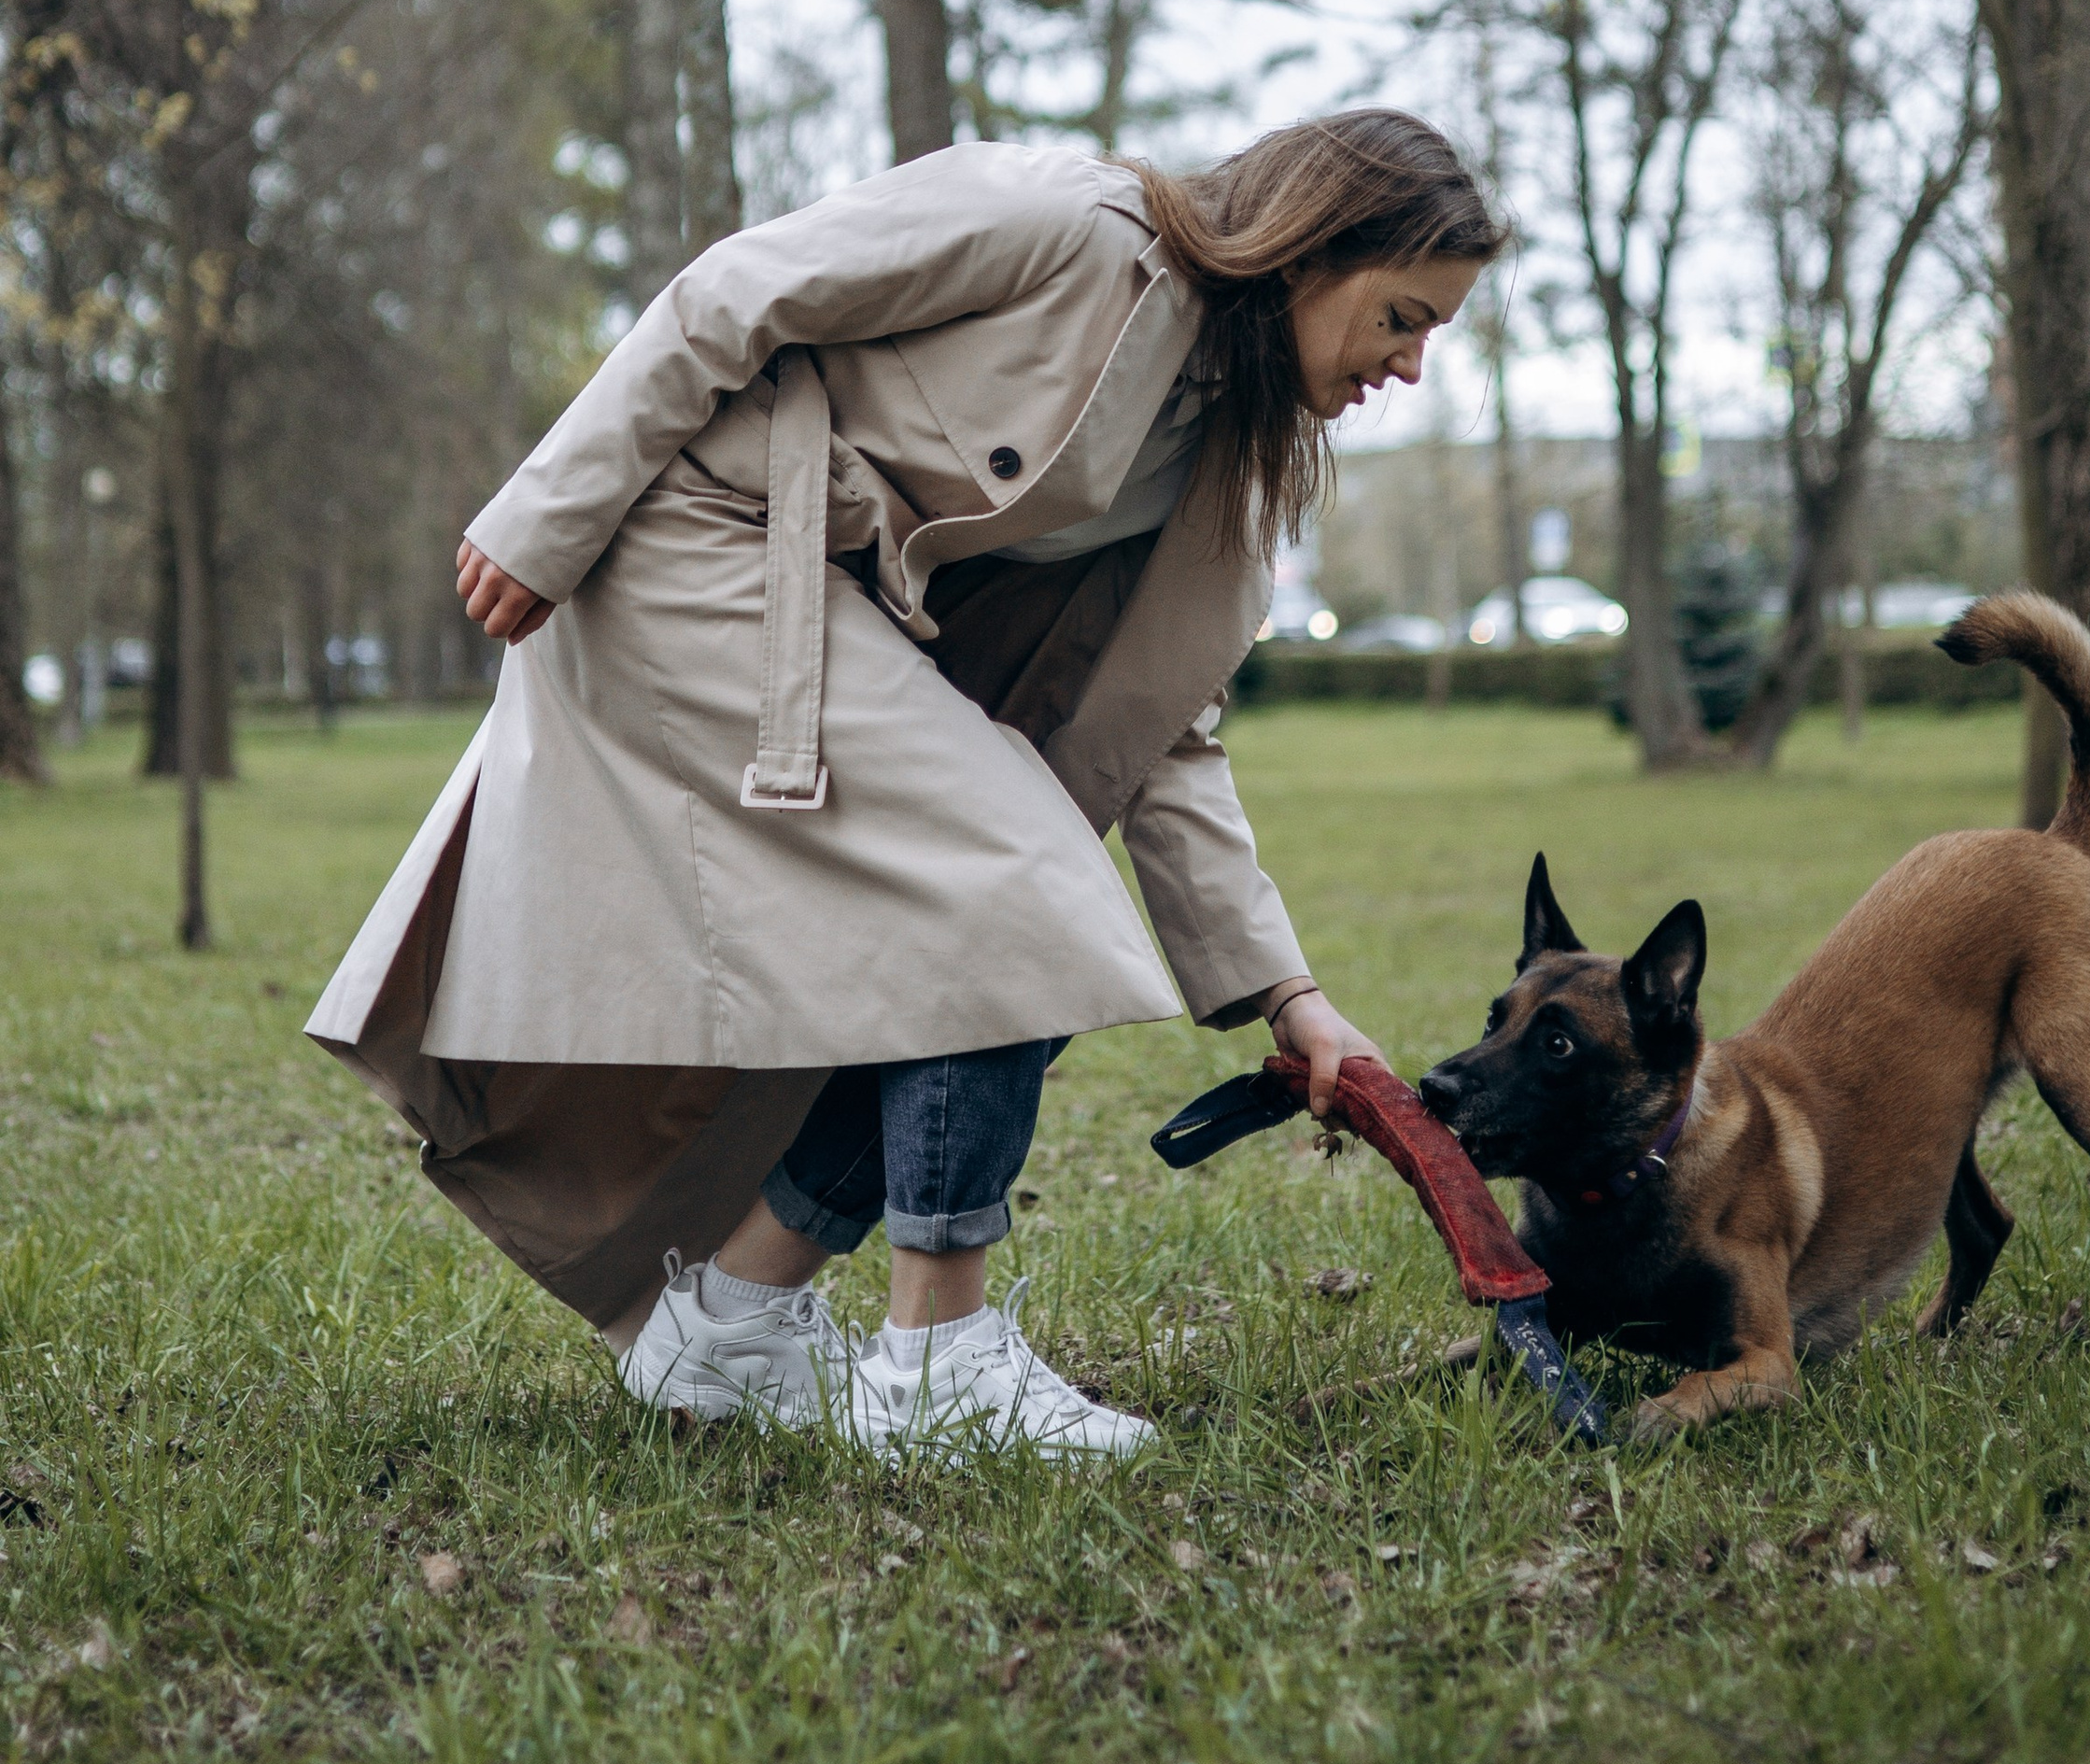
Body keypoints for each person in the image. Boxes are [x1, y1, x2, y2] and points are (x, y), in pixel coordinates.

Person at [307, 110, 1503, 1458]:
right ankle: (940, 1364)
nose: (1411, 363)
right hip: (705, 549)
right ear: (1310, 247)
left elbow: (1165, 733)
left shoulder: (1233, 450)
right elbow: (736, 290)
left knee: (1011, 942)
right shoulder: (1071, 227)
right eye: (1403, 317)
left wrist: (1291, 996)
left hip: (835, 620)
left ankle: (730, 1322)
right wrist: (548, 514)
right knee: (1014, 894)